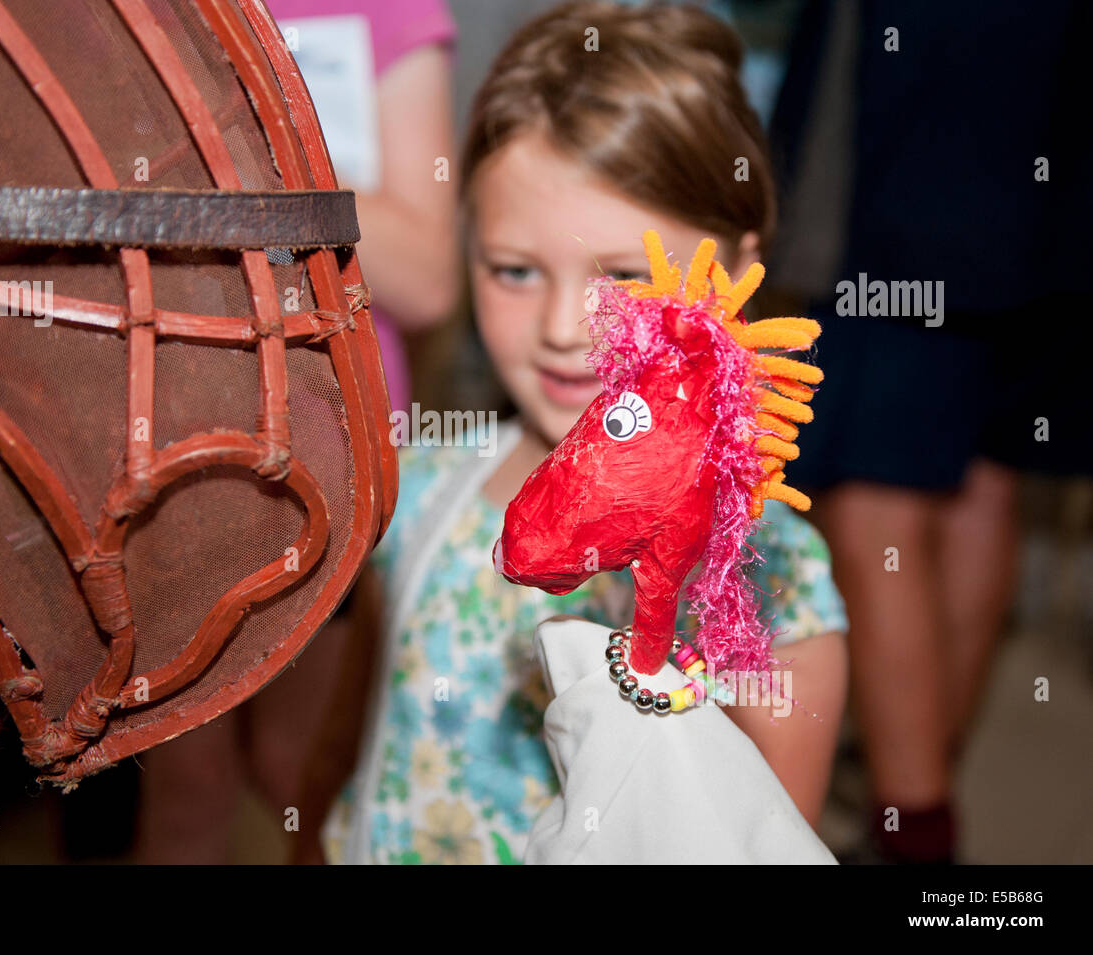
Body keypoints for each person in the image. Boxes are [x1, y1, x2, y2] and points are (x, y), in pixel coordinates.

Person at [321, 0, 849, 864]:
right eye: (515, 269)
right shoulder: (412, 486)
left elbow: (760, 841)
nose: (567, 325)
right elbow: (354, 744)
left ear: (740, 274)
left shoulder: (767, 586)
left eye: (625, 275)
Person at [132, 0, 460, 864]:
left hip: (337, 450)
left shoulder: (389, 10)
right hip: (170, 449)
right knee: (184, 788)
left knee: (300, 774)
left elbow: (427, 278)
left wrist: (262, 145)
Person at [768, 0, 1091, 864]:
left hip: (924, 159)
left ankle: (914, 832)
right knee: (980, 482)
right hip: (1053, 170)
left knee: (873, 496)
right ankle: (912, 787)